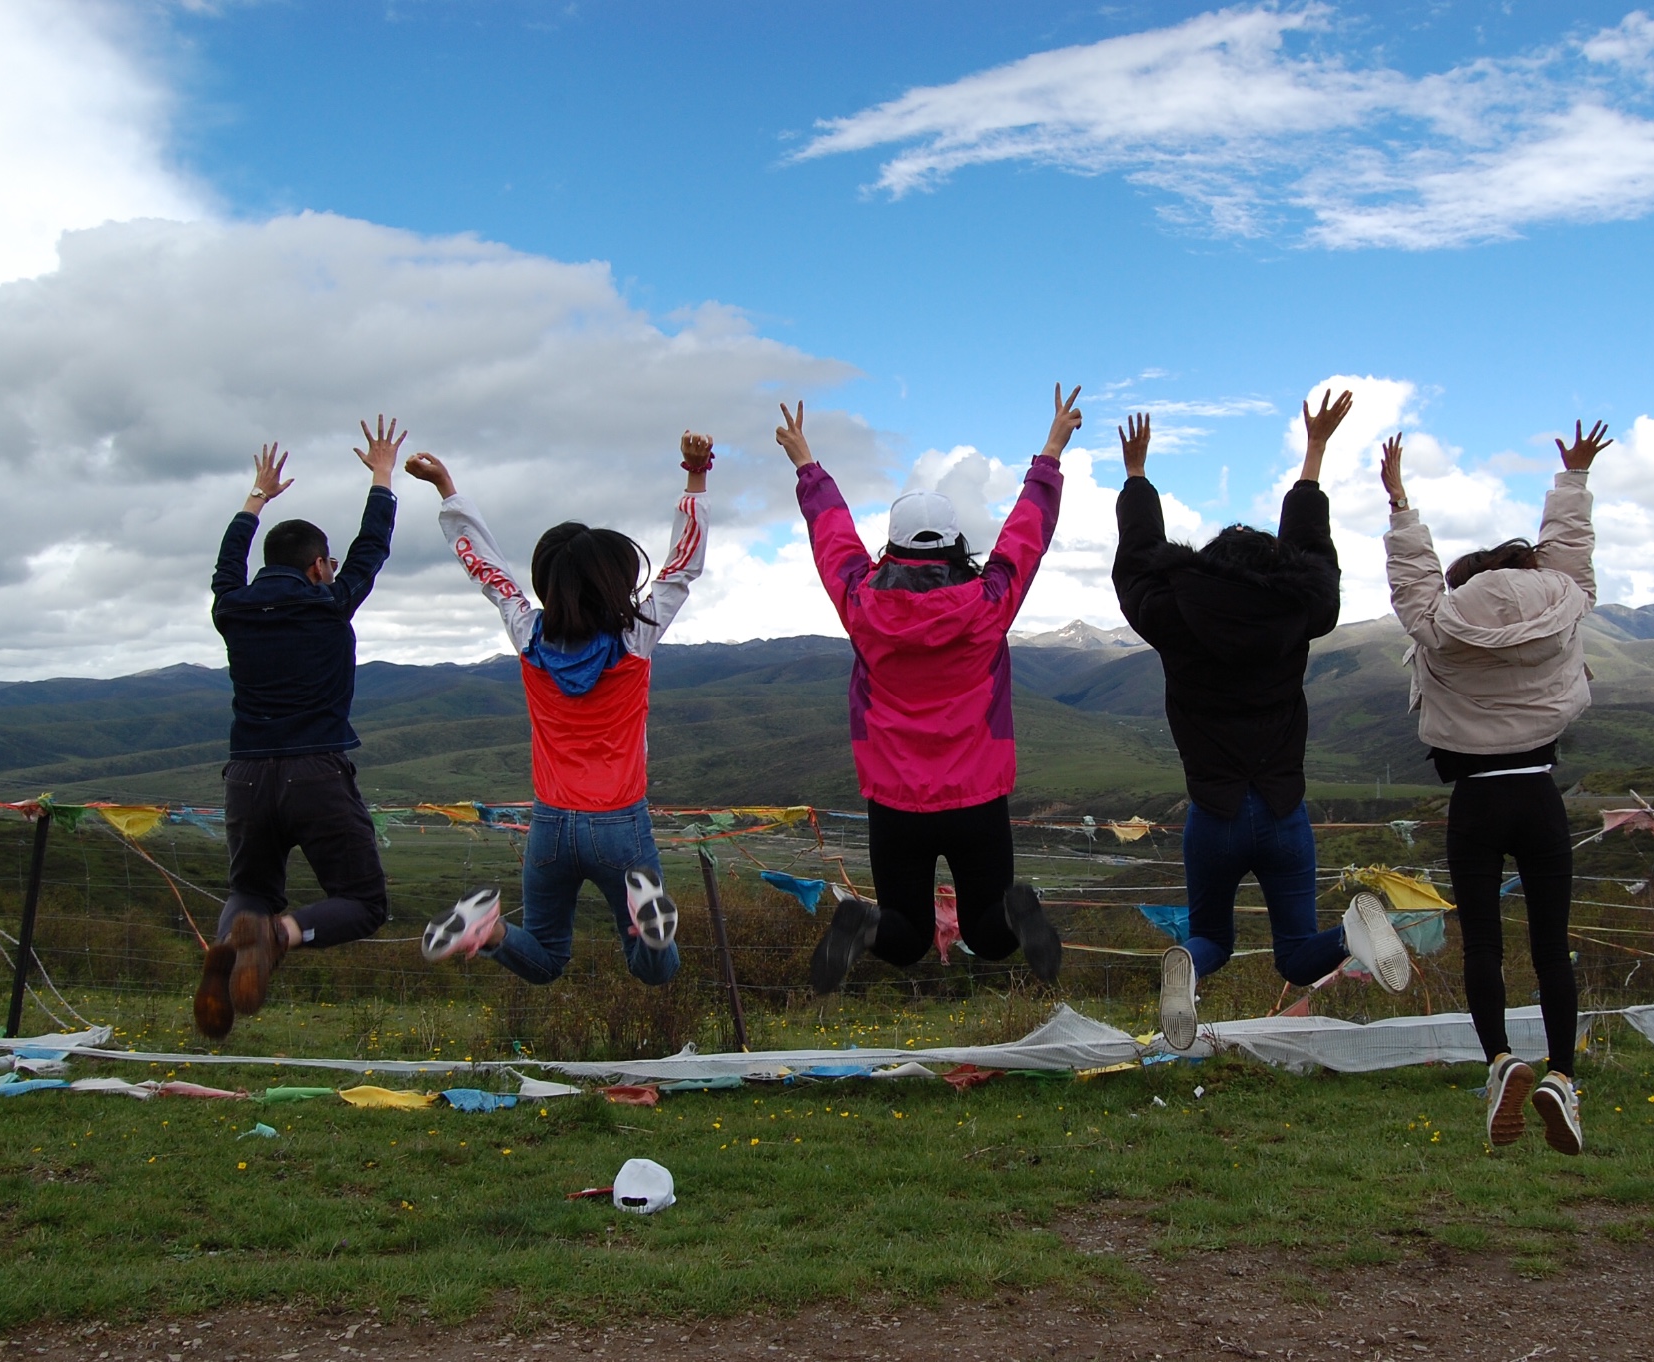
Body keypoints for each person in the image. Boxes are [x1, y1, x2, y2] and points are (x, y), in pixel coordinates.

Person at [1113, 392, 1413, 1054]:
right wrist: (1314, 453)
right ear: (1279, 575)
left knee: (1213, 936)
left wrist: (1136, 477)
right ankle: (1354, 936)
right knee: (1298, 952)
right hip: (1283, 811)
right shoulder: (1298, 614)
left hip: (1213, 813)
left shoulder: (1174, 617)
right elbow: (1313, 553)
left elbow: (1137, 564)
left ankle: (1187, 967)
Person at [777, 388, 1080, 993]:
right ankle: (1021, 913)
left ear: (891, 544)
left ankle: (861, 923)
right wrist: (1049, 451)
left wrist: (807, 464)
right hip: (977, 800)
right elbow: (1026, 536)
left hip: (895, 804)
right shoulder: (989, 601)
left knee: (907, 935)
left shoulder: (862, 603)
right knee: (990, 934)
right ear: (954, 540)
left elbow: (831, 539)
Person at [400, 432, 710, 987]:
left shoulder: (528, 635)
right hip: (620, 824)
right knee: (656, 972)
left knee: (544, 957)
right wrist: (695, 473)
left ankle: (489, 933)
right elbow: (681, 567)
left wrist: (448, 491)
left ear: (546, 581)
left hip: (549, 825)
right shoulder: (635, 637)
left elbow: (489, 573)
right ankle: (648, 930)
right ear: (614, 583)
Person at [1380, 418, 1612, 1156]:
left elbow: (1413, 579)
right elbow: (1571, 556)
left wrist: (1400, 503)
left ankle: (1502, 1062)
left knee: (1484, 945)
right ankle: (1562, 1079)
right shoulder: (1564, 602)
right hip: (1540, 795)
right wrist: (1571, 481)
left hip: (1474, 801)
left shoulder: (1439, 623)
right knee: (1551, 947)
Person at [198, 417, 405, 1040]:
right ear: (319, 565)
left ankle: (229, 950)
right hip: (317, 770)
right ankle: (280, 937)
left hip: (248, 774)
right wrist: (381, 477)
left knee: (250, 889)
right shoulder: (330, 604)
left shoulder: (231, 609)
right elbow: (374, 548)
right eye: (330, 562)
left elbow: (226, 566)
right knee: (364, 903)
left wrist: (254, 499)